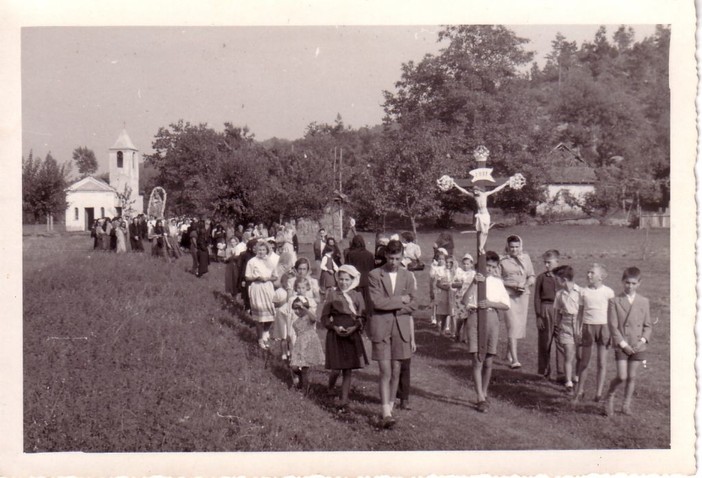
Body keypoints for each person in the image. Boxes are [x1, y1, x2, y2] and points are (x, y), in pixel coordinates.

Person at [368, 239, 417, 428]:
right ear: (385, 256)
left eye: (397, 258)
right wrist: (401, 300)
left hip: (401, 328)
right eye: (390, 258)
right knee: (385, 370)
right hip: (381, 327)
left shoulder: (408, 276)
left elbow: (414, 303)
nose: (393, 262)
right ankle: (385, 412)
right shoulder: (375, 275)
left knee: (397, 369)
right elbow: (377, 303)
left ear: (402, 257)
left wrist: (395, 305)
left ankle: (390, 407)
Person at [462, 250, 511, 412]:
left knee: (489, 360)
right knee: (477, 358)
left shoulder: (497, 283)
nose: (488, 269)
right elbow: (464, 300)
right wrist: (474, 283)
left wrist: (491, 303)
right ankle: (479, 397)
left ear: (496, 267)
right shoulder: (474, 278)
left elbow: (506, 304)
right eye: (486, 265)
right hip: (475, 317)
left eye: (492, 266)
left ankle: (484, 391)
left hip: (492, 319)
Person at [604, 267, 653, 416]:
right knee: (622, 376)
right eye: (627, 283)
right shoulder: (614, 301)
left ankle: (626, 405)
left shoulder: (644, 301)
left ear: (639, 283)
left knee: (632, 376)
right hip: (622, 344)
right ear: (622, 282)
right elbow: (613, 327)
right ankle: (610, 396)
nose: (630, 286)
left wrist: (642, 340)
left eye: (633, 283)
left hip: (638, 344)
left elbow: (648, 325)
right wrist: (624, 345)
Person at [321, 265, 369, 411]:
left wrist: (355, 327)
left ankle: (344, 399)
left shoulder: (357, 295)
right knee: (336, 368)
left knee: (347, 369)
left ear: (353, 280)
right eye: (341, 279)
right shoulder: (332, 294)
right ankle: (330, 386)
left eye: (347, 280)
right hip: (336, 334)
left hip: (351, 335)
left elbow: (362, 316)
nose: (343, 282)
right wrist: (334, 327)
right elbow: (324, 317)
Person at [572, 263, 616, 403]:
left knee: (602, 362)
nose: (588, 275)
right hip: (588, 327)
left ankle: (598, 393)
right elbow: (579, 313)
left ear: (601, 277)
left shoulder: (608, 292)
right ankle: (580, 391)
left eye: (592, 273)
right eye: (588, 272)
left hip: (603, 328)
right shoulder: (583, 292)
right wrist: (577, 330)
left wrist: (611, 331)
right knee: (584, 361)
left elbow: (612, 314)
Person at [499, 235, 535, 369]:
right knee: (512, 325)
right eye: (511, 247)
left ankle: (508, 353)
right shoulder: (502, 260)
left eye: (516, 247)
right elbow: (497, 279)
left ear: (520, 246)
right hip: (508, 296)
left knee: (518, 326)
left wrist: (526, 284)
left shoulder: (526, 258)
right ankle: (515, 359)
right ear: (507, 247)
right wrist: (512, 285)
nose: (514, 250)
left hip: (523, 296)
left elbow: (531, 275)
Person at [534, 250, 564, 380]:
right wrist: (539, 316)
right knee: (545, 341)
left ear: (557, 262)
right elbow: (537, 298)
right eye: (545, 263)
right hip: (546, 309)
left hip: (561, 310)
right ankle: (544, 370)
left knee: (562, 341)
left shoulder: (563, 278)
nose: (546, 265)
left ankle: (562, 373)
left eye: (549, 262)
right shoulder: (541, 278)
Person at [552, 265, 582, 393]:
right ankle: (568, 382)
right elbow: (558, 312)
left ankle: (578, 377)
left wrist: (580, 328)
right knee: (568, 354)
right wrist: (556, 327)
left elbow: (584, 311)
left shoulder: (581, 292)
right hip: (565, 324)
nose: (556, 282)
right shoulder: (559, 294)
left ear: (564, 279)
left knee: (580, 355)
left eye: (557, 279)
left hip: (579, 324)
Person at [288, 295, 324, 395]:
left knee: (305, 368)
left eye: (299, 308)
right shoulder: (295, 322)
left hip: (310, 344)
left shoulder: (309, 317)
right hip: (300, 345)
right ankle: (301, 380)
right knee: (294, 366)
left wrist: (304, 308)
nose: (297, 311)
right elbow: (297, 336)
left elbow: (314, 318)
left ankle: (305, 389)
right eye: (295, 309)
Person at [245, 240, 279, 349]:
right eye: (259, 249)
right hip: (257, 288)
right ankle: (260, 340)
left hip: (268, 288)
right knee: (259, 317)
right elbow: (247, 277)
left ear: (267, 251)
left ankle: (265, 333)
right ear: (256, 250)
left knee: (272, 313)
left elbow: (275, 276)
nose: (261, 252)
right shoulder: (252, 262)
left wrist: (268, 278)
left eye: (264, 250)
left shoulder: (270, 262)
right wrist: (257, 278)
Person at [344, 234, 375, 310]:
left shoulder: (350, 254)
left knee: (354, 301)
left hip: (355, 281)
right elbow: (372, 268)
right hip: (366, 281)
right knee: (366, 301)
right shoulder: (370, 254)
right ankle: (367, 317)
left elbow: (347, 268)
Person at [454, 253, 476, 343]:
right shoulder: (459, 272)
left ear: (471, 264)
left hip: (470, 297)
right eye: (464, 264)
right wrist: (461, 284)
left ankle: (465, 337)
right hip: (460, 297)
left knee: (468, 317)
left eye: (468, 264)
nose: (466, 266)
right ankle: (457, 332)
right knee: (460, 318)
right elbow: (453, 284)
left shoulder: (473, 273)